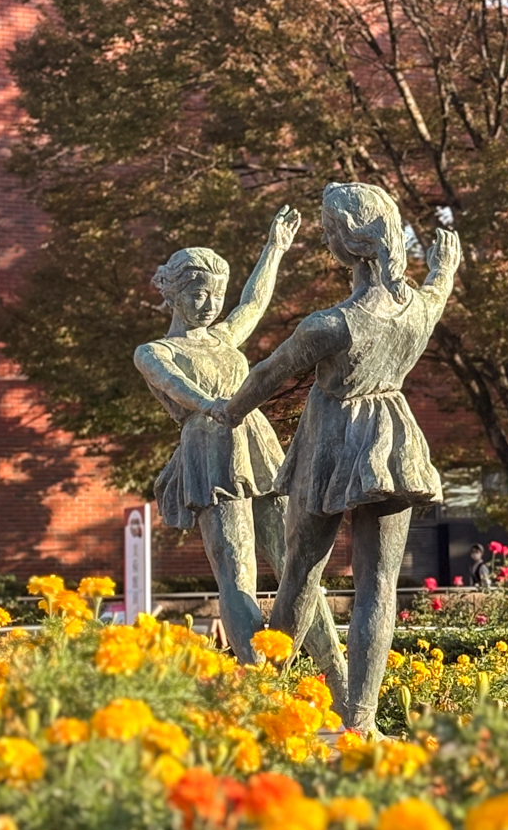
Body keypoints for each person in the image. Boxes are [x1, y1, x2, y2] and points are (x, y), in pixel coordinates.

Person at [214, 183, 460, 732]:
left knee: (301, 573)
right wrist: (443, 267)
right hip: (393, 444)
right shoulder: (417, 309)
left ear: (341, 241)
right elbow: (437, 290)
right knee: (379, 585)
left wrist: (227, 414)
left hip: (331, 445)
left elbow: (267, 375)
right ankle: (364, 722)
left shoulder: (330, 325)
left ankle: (267, 695)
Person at [132, 207, 340, 675]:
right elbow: (174, 386)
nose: (209, 303)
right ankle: (260, 682)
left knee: (297, 563)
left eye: (215, 294)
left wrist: (275, 248)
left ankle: (338, 677)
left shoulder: (226, 338)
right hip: (210, 450)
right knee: (236, 567)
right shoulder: (155, 351)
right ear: (175, 294)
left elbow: (254, 303)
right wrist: (213, 406)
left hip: (255, 444)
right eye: (197, 293)